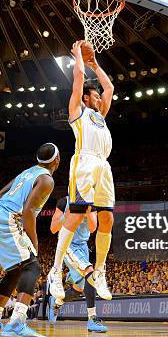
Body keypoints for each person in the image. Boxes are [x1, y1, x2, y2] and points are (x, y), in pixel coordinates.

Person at [48, 40, 115, 302]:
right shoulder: (78, 111)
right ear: (86, 98)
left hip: (103, 165)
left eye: (99, 97)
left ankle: (99, 271)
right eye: (95, 96)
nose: (100, 98)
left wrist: (95, 65)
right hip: (84, 163)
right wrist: (77, 56)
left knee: (107, 219)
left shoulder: (101, 115)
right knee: (75, 216)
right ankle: (55, 271)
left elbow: (109, 86)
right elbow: (77, 78)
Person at [0, 143, 59, 337]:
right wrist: (34, 241)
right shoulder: (46, 180)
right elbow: (29, 211)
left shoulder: (28, 172)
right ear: (57, 160)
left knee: (15, 270)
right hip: (6, 218)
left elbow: (1, 193)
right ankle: (16, 323)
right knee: (33, 267)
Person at [48, 197, 107, 332]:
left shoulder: (91, 204)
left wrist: (87, 212)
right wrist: (66, 216)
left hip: (83, 246)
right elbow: (53, 228)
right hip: (67, 244)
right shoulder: (63, 202)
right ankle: (92, 319)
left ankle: (57, 302)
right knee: (90, 273)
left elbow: (92, 229)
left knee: (77, 290)